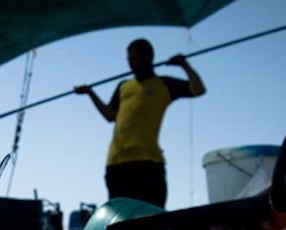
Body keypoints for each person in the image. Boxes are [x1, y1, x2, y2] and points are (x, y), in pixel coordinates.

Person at [74, 38, 206, 208]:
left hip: (147, 162)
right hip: (117, 163)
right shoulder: (123, 86)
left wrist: (184, 65)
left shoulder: (164, 84)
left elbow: (199, 89)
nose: (131, 64)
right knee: (121, 221)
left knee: (153, 216)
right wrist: (90, 93)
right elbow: (110, 115)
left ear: (148, 57)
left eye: (135, 58)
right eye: (129, 59)